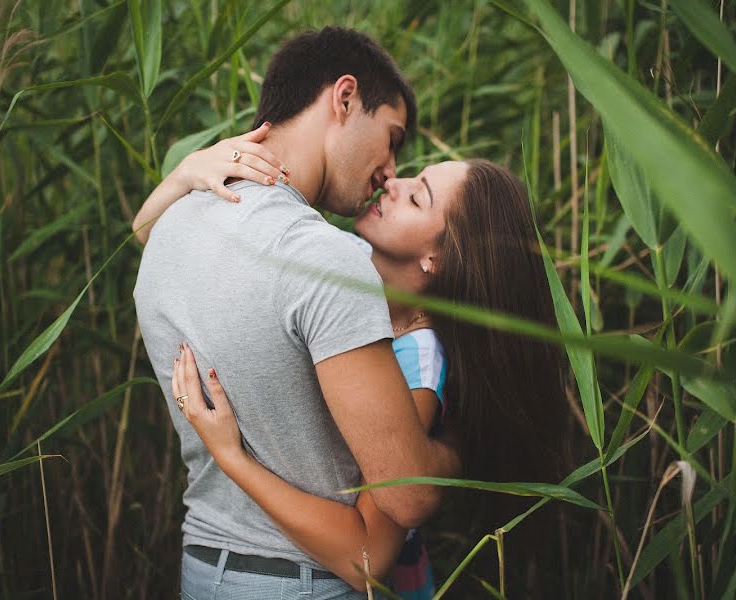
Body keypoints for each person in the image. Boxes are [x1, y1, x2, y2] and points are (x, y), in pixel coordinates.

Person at [138, 136, 568, 596]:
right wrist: (187, 172)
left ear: (436, 259)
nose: (393, 183)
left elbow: (367, 560)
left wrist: (232, 459)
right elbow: (156, 235)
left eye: (418, 196)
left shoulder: (418, 363)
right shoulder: (349, 262)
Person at [133, 27, 460, 599]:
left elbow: (141, 229)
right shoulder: (326, 262)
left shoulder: (170, 229)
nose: (389, 169)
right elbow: (407, 495)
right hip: (302, 581)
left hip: (202, 569)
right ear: (344, 97)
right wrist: (463, 451)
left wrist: (185, 173)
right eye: (392, 137)